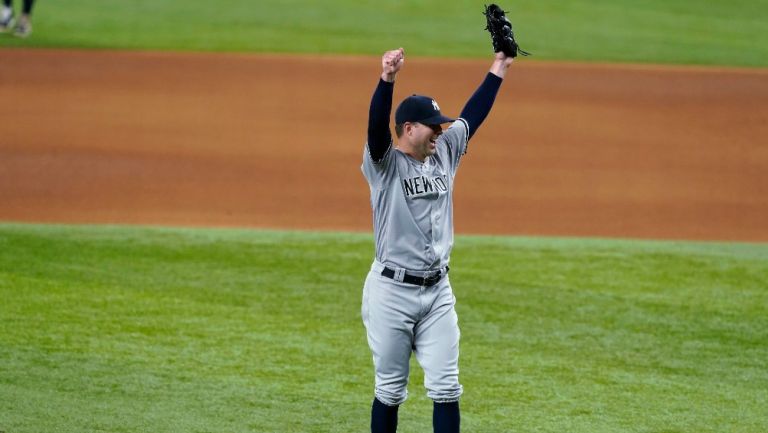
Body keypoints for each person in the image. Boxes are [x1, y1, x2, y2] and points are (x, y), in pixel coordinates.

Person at [360, 46, 514, 433]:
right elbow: (377, 126)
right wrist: (387, 80)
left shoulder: (443, 152)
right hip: (391, 293)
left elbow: (472, 116)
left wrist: (499, 65)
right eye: (432, 124)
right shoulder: (383, 164)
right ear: (409, 128)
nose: (441, 130)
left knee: (447, 388)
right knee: (390, 390)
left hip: (438, 292)